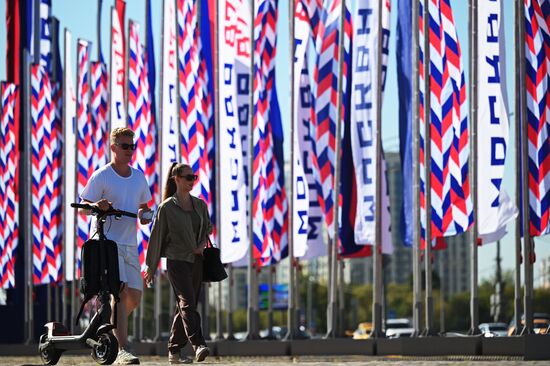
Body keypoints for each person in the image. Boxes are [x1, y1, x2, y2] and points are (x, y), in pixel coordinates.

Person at [80, 127, 153, 365]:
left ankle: (108, 331)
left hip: (130, 244)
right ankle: (122, 349)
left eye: (132, 146)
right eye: (125, 146)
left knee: (134, 296)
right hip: (106, 243)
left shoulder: (139, 177)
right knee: (120, 294)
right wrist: (96, 205)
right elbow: (82, 205)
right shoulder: (101, 175)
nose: (130, 150)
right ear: (113, 148)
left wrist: (145, 214)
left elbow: (143, 206)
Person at [145, 163, 211, 364]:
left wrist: (201, 245)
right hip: (176, 261)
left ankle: (174, 351)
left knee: (184, 307)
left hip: (197, 261)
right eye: (188, 177)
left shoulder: (200, 204)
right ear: (177, 179)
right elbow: (156, 237)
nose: (192, 181)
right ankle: (198, 344)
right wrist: (151, 266)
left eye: (194, 177)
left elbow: (207, 227)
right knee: (187, 303)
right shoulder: (166, 207)